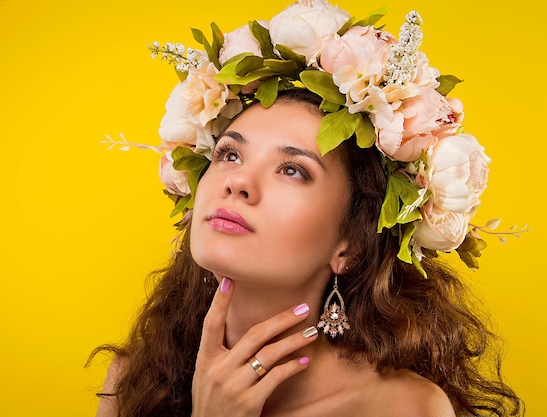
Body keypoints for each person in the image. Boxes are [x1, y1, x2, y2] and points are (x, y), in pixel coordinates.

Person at [91, 1, 524, 416]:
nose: (238, 182)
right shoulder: (131, 385)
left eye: (292, 170)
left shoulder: (406, 409)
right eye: (229, 155)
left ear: (350, 243)